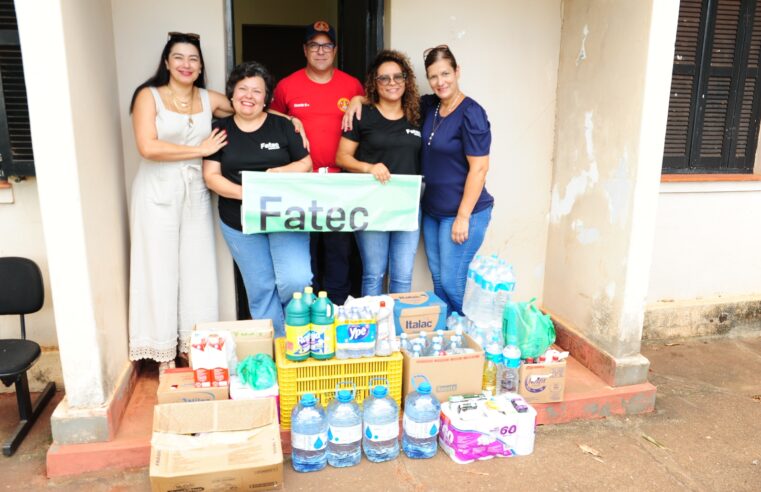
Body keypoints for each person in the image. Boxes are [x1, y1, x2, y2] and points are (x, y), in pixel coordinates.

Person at [342, 45, 493, 314]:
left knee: (451, 280)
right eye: (433, 76)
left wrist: (463, 216)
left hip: (459, 212)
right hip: (431, 210)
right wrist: (357, 99)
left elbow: (479, 168)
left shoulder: (471, 113)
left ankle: (477, 328)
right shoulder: (428, 106)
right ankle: (448, 336)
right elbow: (386, 98)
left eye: (446, 74)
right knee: (437, 277)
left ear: (457, 72)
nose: (440, 82)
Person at [128, 32, 232, 370]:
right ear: (166, 62)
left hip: (195, 194)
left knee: (198, 270)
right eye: (179, 57)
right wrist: (199, 151)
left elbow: (251, 105)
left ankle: (194, 345)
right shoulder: (149, 96)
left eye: (193, 59)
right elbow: (148, 146)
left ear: (201, 66)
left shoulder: (209, 98)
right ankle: (163, 352)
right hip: (157, 191)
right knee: (158, 269)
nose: (186, 64)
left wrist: (290, 121)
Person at [203, 62, 313, 337]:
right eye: (243, 89)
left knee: (296, 280)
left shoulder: (283, 126)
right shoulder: (220, 129)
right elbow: (211, 176)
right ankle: (278, 347)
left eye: (257, 90)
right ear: (231, 94)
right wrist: (250, 194)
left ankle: (299, 337)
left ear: (266, 98)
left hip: (286, 217)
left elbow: (305, 163)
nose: (249, 96)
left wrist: (276, 173)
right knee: (261, 288)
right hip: (239, 221)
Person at [270, 20, 364, 305]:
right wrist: (290, 117)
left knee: (338, 251)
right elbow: (268, 119)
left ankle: (335, 309)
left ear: (335, 50)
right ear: (305, 49)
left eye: (326, 45)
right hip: (302, 181)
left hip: (340, 179)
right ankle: (307, 310)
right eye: (314, 45)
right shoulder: (287, 86)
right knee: (304, 250)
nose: (320, 51)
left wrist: (362, 97)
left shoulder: (352, 85)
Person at [335, 50, 421, 296]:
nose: (392, 83)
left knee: (403, 276)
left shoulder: (418, 114)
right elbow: (341, 158)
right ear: (374, 82)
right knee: (374, 273)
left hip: (408, 204)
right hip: (371, 204)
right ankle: (369, 332)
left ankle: (394, 333)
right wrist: (370, 168)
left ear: (406, 80)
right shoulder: (362, 114)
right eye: (384, 78)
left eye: (398, 77)